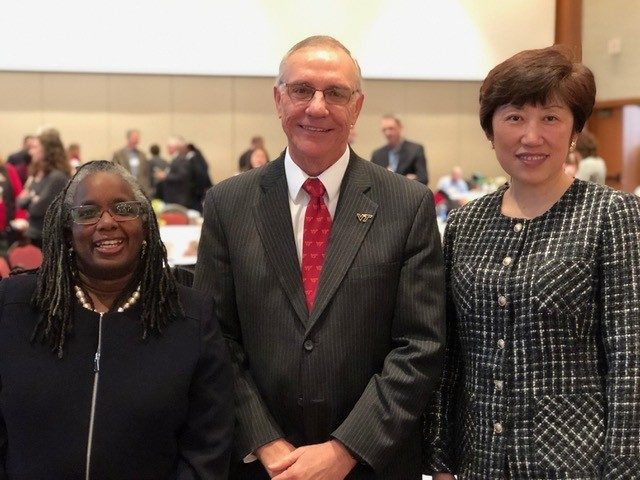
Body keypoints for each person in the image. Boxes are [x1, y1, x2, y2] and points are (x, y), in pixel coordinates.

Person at [194, 35, 445, 480]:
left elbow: (419, 345)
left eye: (336, 93)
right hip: (262, 466)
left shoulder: (407, 205)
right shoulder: (227, 204)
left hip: (370, 464)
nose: (316, 107)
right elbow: (215, 338)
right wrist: (266, 443)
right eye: (301, 90)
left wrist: (345, 450)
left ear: (358, 106)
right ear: (278, 99)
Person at [423, 46, 640, 479]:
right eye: (515, 117)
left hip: (575, 461)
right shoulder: (466, 223)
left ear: (575, 129)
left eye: (551, 118)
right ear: (491, 128)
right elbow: (450, 356)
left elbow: (629, 358)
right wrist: (439, 456)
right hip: (478, 460)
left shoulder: (610, 215)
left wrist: (623, 470)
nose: (531, 136)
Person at [0, 160, 233, 478]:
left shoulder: (190, 317)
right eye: (88, 212)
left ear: (146, 222)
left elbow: (208, 446)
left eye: (124, 208)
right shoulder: (14, 307)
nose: (107, 222)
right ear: (68, 230)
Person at [16, 130, 72, 248]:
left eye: (35, 147)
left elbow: (37, 209)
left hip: (47, 239)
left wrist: (30, 198)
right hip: (35, 235)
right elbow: (20, 202)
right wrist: (33, 198)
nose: (31, 152)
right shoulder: (37, 174)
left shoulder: (57, 177)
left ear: (48, 150)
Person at [371, 114, 428, 184]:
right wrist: (407, 178)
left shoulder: (416, 150)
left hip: (408, 193)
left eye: (391, 128)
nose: (387, 133)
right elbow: (372, 181)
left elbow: (423, 179)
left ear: (400, 127)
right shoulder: (377, 154)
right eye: (384, 130)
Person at [112, 129, 151, 195]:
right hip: (124, 188)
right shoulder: (118, 154)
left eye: (138, 138)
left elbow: (146, 174)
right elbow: (113, 171)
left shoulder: (142, 155)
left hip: (140, 189)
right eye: (135, 138)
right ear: (128, 138)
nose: (137, 140)